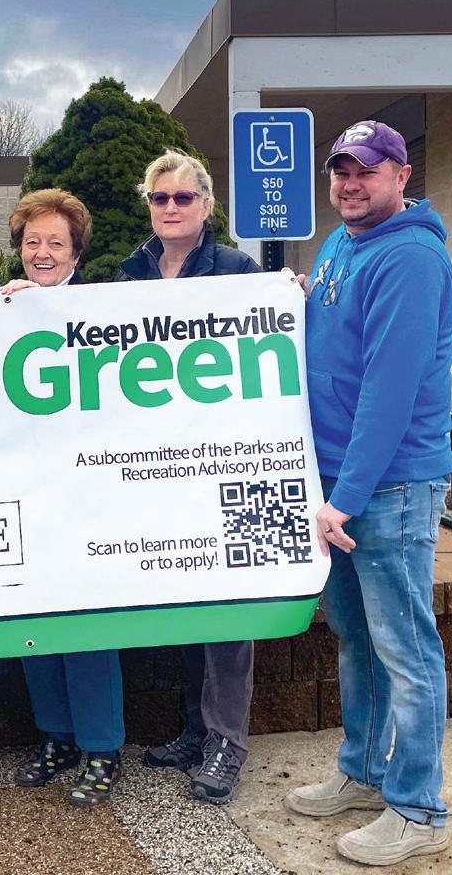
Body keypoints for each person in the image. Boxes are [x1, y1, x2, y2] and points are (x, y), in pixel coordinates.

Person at [282, 120, 452, 866]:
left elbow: (389, 390)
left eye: (367, 170)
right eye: (340, 170)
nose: (350, 183)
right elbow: (333, 342)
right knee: (360, 641)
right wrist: (293, 298)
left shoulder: (411, 257)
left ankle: (418, 809)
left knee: (407, 651)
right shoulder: (340, 243)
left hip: (388, 487)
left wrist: (344, 497)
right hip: (341, 485)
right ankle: (363, 772)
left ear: (401, 175)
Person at [121, 150, 262, 806]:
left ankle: (228, 742)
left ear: (206, 205)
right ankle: (195, 730)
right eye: (160, 198)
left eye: (183, 197)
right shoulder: (129, 275)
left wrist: (287, 293)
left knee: (229, 610)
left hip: (222, 461)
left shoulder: (237, 271)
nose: (171, 207)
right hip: (160, 468)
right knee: (184, 599)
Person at [0, 189, 127, 807]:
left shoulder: (101, 310)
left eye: (56, 242)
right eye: (32, 242)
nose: (42, 252)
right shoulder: (1, 309)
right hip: (26, 493)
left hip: (88, 494)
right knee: (35, 625)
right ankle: (58, 738)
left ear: (77, 252)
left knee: (88, 625)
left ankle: (102, 747)